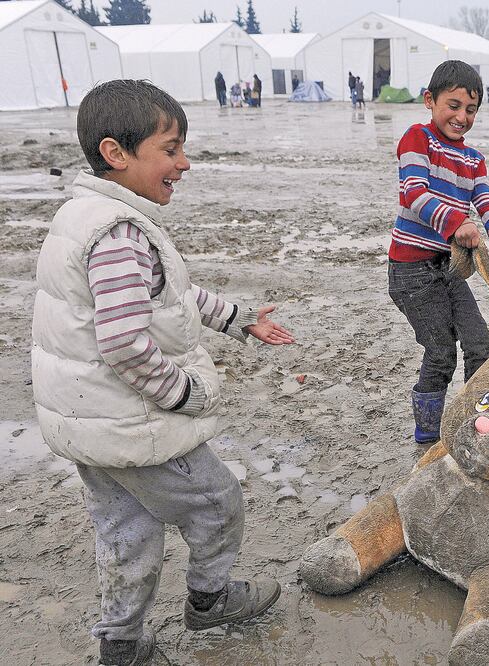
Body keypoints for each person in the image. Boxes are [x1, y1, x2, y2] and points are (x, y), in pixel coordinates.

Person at [32, 80, 294, 666]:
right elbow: (125, 343)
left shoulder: (83, 215)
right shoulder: (120, 233)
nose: (185, 162)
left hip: (87, 424)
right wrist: (184, 394)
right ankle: (210, 600)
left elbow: (168, 295)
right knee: (217, 502)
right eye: (171, 149)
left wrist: (237, 319)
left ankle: (121, 643)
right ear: (115, 153)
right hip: (132, 423)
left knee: (126, 530)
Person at [387, 60, 489, 444]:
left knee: (479, 342)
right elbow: (414, 193)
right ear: (430, 100)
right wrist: (456, 222)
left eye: (471, 109)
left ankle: (473, 420)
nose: (462, 117)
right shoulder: (417, 139)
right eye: (454, 105)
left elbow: (485, 199)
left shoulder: (473, 159)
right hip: (411, 271)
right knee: (441, 353)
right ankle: (428, 434)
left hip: (448, 268)